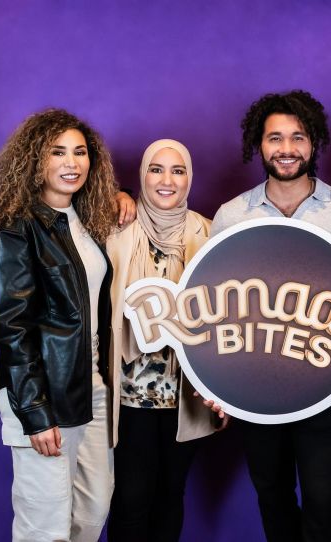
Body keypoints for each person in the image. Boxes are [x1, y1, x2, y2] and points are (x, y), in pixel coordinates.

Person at [209, 90, 331, 542]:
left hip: (328, 384)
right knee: (271, 494)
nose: (287, 148)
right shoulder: (231, 216)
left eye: (298, 137)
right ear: (259, 144)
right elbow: (212, 305)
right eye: (275, 138)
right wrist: (214, 379)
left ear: (314, 142)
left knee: (323, 499)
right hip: (256, 388)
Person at [0, 108, 121, 541]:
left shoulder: (86, 221)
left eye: (80, 152)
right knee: (44, 528)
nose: (71, 162)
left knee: (93, 509)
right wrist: (35, 411)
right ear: (34, 160)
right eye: (57, 152)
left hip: (92, 387)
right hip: (43, 393)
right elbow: (12, 328)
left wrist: (125, 196)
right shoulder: (17, 231)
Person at [106, 139, 224, 541]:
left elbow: (230, 318)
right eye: (156, 169)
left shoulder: (210, 232)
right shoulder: (116, 227)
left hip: (187, 395)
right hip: (129, 394)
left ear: (190, 178)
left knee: (171, 494)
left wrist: (227, 387)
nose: (167, 180)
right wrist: (118, 194)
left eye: (178, 170)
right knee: (131, 497)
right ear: (143, 175)